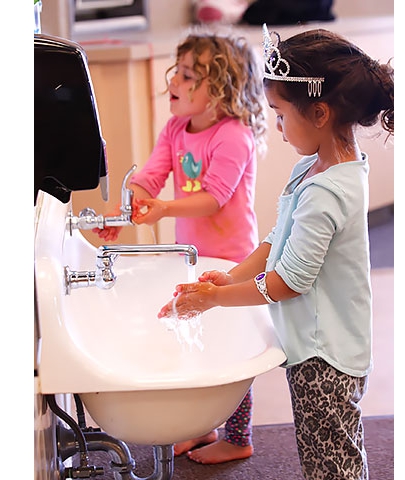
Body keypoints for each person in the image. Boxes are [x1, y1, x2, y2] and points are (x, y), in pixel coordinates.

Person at [159, 25, 394, 479]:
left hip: (328, 357)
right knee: (323, 451)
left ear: (320, 113)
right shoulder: (312, 167)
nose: (278, 128)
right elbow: (276, 240)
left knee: (333, 463)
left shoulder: (330, 190)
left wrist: (213, 299)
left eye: (281, 114)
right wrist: (230, 277)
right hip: (312, 344)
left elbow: (289, 281)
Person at [94, 30, 268, 464]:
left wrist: (163, 208)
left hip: (232, 261)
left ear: (221, 90)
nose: (174, 80)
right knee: (197, 335)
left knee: (232, 345)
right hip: (192, 256)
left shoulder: (234, 136)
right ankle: (203, 426)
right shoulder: (175, 129)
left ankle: (238, 435)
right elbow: (150, 176)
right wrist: (130, 204)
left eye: (188, 74)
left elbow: (215, 197)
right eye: (177, 70)